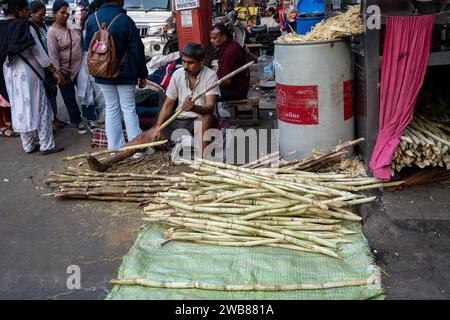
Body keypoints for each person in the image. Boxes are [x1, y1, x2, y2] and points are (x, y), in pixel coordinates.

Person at [86, 43, 221, 172]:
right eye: (184, 61)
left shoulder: (210, 76)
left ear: (201, 61)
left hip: (200, 119)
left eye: (190, 63)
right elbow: (168, 104)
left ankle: (203, 164)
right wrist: (158, 126)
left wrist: (195, 108)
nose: (186, 66)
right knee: (146, 136)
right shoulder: (178, 74)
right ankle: (107, 163)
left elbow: (209, 107)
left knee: (206, 118)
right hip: (180, 118)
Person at [0, 0, 65, 154]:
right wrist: (54, 71)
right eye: (25, 10)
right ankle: (46, 145)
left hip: (10, 73)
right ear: (19, 10)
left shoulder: (1, 27)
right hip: (30, 74)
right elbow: (39, 53)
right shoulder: (25, 26)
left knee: (19, 109)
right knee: (41, 108)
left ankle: (28, 146)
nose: (27, 13)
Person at [84, 0, 148, 151]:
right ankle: (135, 149)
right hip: (125, 72)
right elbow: (137, 50)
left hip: (102, 72)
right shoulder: (125, 20)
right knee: (129, 109)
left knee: (111, 108)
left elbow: (88, 47)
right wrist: (142, 73)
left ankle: (114, 148)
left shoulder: (92, 19)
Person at [48, 0, 97, 135]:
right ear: (54, 13)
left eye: (67, 12)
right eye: (62, 12)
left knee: (87, 92)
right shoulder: (52, 32)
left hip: (80, 66)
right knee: (69, 98)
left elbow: (82, 42)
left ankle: (91, 118)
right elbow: (53, 55)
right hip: (63, 72)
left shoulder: (73, 26)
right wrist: (58, 73)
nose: (65, 15)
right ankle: (77, 121)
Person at [29, 0, 65, 130]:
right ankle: (48, 122)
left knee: (53, 92)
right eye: (40, 14)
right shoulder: (30, 28)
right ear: (31, 14)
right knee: (45, 95)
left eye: (44, 14)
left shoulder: (43, 25)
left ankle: (53, 118)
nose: (43, 17)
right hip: (41, 67)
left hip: (50, 64)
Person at [210, 23, 250, 101]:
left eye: (214, 38)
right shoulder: (230, 44)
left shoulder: (230, 52)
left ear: (224, 37)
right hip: (237, 88)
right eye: (211, 38)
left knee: (206, 96)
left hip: (237, 91)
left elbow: (226, 81)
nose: (211, 41)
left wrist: (211, 86)